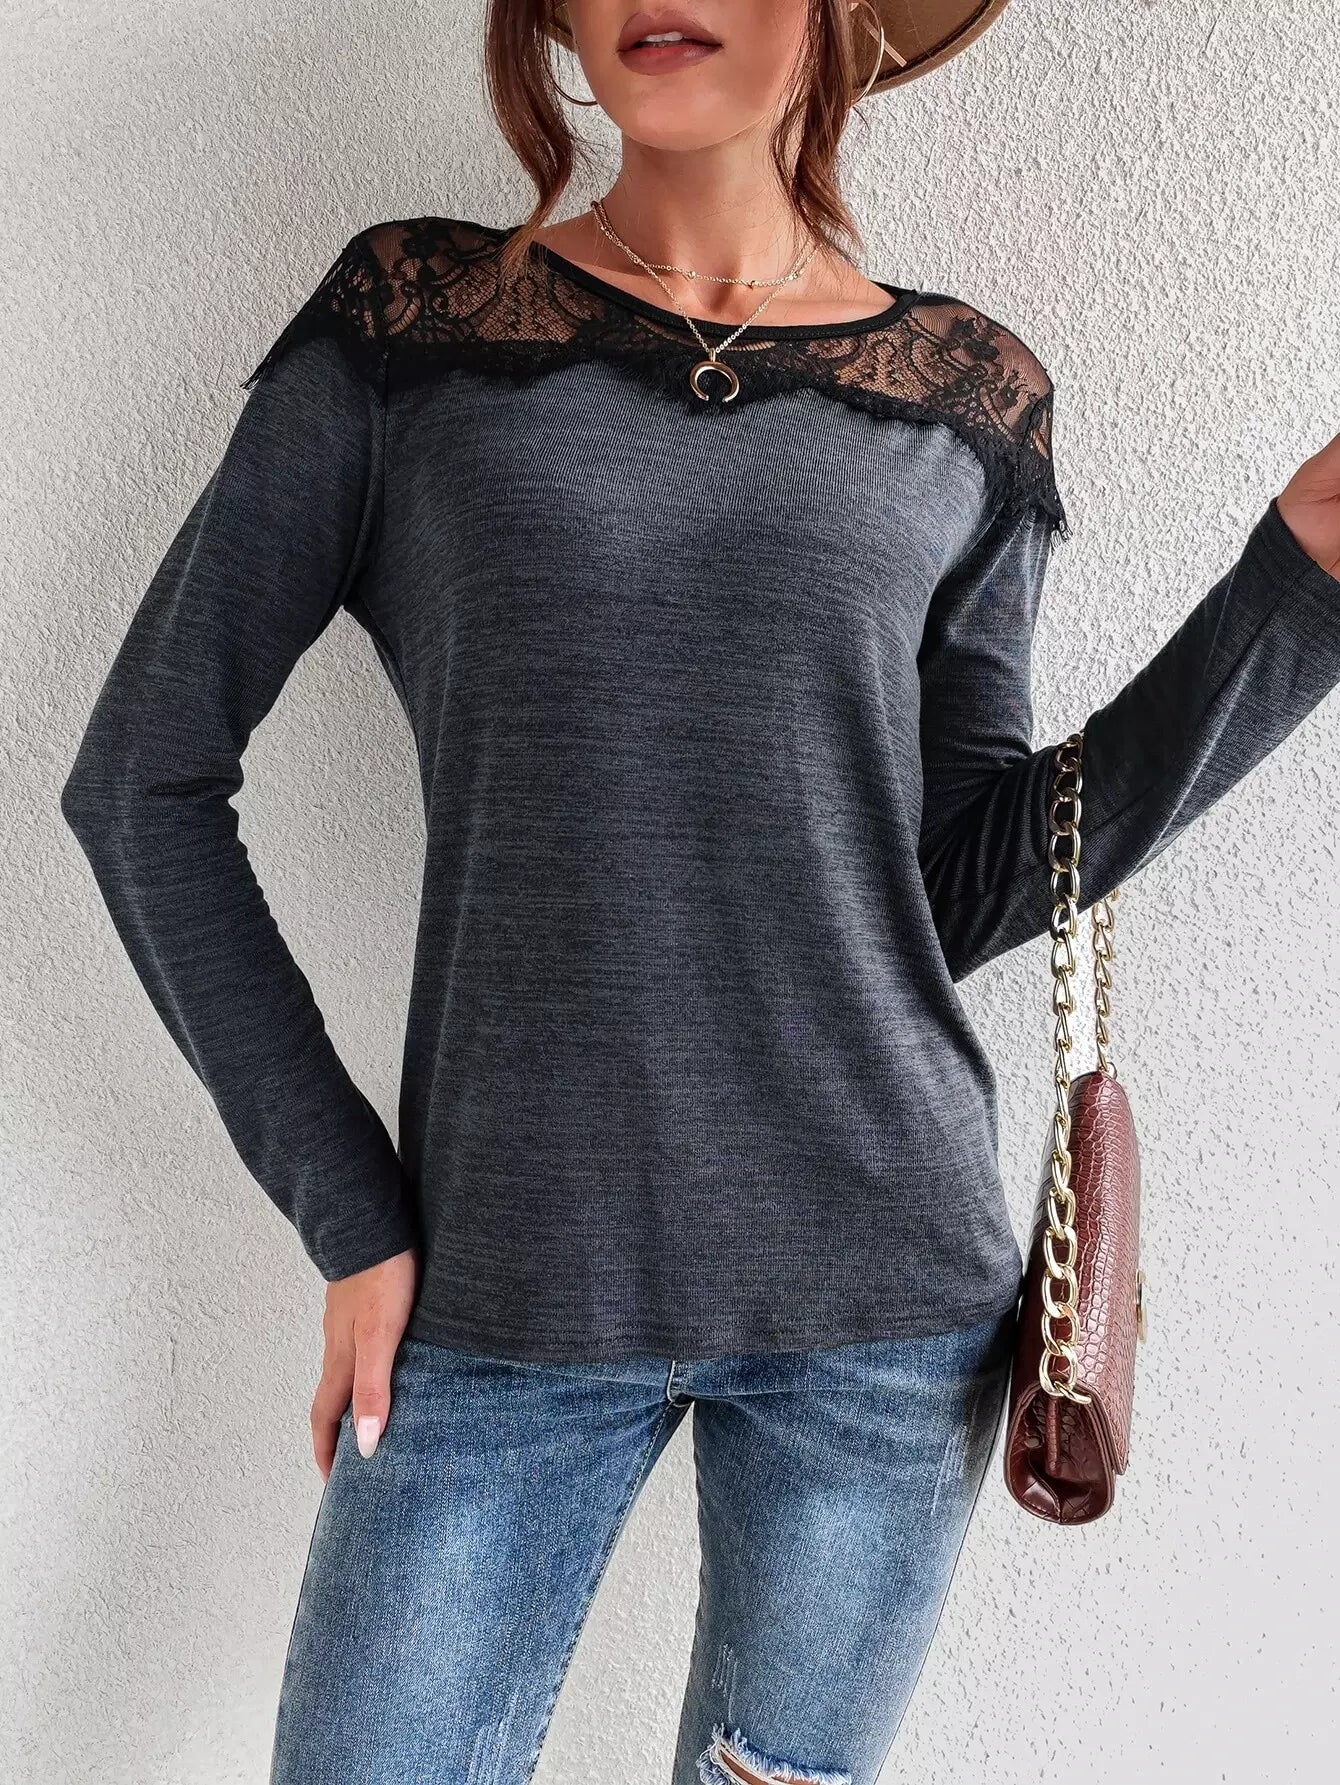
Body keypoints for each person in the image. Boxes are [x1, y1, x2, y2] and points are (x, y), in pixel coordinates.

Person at [59, 3, 1340, 1781]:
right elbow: (141, 782)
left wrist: (1297, 590)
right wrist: (346, 1207)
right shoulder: (413, 329)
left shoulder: (966, 397)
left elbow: (949, 882)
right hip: (502, 1291)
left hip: (885, 1313)